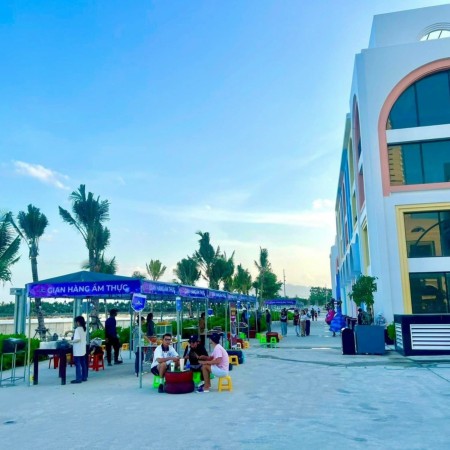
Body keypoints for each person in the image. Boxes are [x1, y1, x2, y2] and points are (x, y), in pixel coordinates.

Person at [70, 315, 88, 384]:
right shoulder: (84, 329)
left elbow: (77, 339)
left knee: (77, 364)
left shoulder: (77, 329)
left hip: (77, 350)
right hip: (83, 349)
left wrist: (71, 341)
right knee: (83, 363)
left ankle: (78, 379)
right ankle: (84, 377)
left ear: (78, 322)